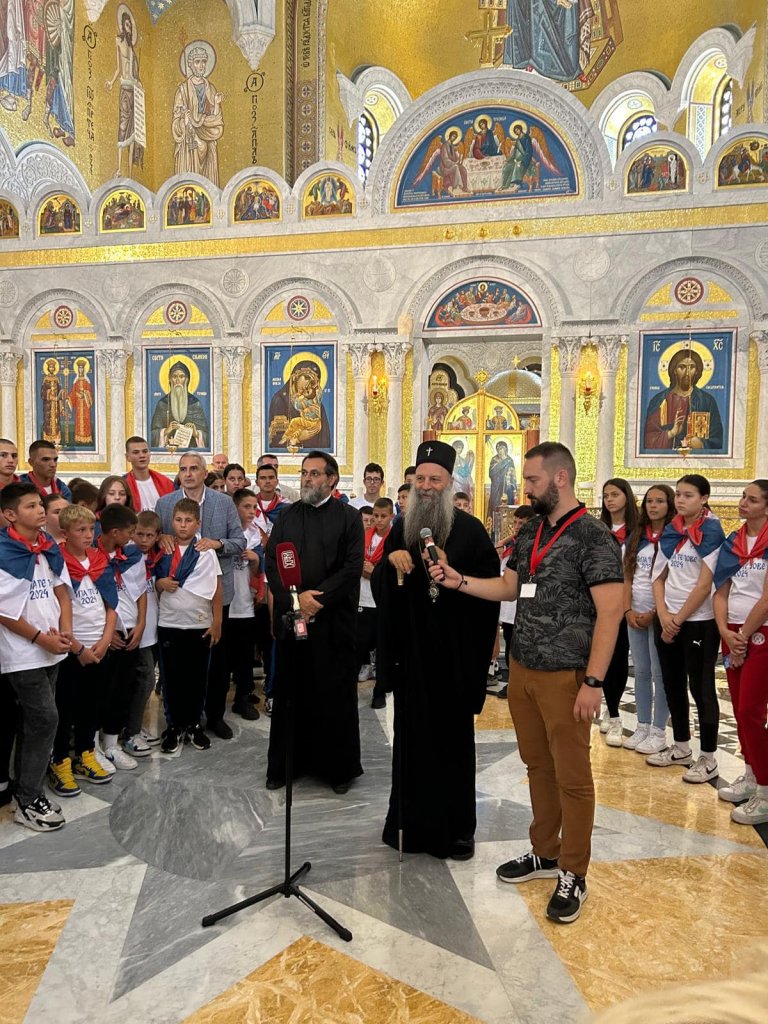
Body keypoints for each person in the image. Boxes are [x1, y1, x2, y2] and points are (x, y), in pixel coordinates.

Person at [431, 442, 624, 923]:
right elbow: (510, 586)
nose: (526, 488)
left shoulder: (593, 535)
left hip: (567, 674)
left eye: (533, 480)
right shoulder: (533, 530)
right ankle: (546, 851)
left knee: (572, 776)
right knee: (537, 765)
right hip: (524, 668)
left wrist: (594, 681)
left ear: (560, 478)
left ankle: (574, 871)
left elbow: (611, 611)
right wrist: (459, 581)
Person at [374, 440, 500, 861]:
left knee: (453, 746)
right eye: (421, 479)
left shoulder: (471, 531)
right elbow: (383, 586)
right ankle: (407, 824)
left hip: (453, 658)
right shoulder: (401, 529)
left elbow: (490, 590)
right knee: (410, 744)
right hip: (412, 657)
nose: (426, 486)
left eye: (435, 479)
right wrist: (391, 561)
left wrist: (455, 571)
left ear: (450, 483)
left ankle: (458, 830)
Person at [265, 451, 364, 794]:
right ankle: (286, 765)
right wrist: (297, 601)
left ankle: (337, 770)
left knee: (333, 695)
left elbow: (352, 567)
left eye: (314, 473)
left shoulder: (349, 518)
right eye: (304, 473)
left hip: (333, 623)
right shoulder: (287, 516)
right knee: (291, 692)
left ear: (331, 480)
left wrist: (315, 601)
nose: (306, 478)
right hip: (293, 620)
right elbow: (272, 562)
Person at [155, 453, 245, 739]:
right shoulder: (165, 503)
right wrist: (161, 538)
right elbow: (154, 541)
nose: (188, 473)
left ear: (205, 473)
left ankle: (215, 717)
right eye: (183, 469)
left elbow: (239, 541)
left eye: (194, 468)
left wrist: (216, 543)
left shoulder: (223, 502)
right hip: (177, 598)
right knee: (178, 666)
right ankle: (179, 720)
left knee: (216, 661)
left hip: (216, 593)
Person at [0, 483, 73, 831]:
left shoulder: (47, 546)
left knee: (35, 721)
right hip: (23, 652)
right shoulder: (5, 551)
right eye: (30, 506)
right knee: (45, 719)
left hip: (52, 647)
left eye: (40, 504)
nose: (40, 510)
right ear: (10, 514)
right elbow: (5, 613)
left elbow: (62, 591)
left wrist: (65, 631)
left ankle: (25, 789)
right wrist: (41, 638)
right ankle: (28, 800)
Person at [649, 474, 725, 782]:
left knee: (701, 689)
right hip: (667, 618)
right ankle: (681, 747)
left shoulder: (712, 531)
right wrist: (663, 615)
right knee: (672, 684)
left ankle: (708, 757)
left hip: (699, 622)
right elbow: (658, 578)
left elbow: (705, 585)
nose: (680, 500)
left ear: (704, 498)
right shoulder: (672, 530)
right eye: (678, 494)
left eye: (688, 495)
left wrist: (677, 620)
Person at [50, 504, 118, 796]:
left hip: (99, 645)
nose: (88, 535)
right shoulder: (57, 562)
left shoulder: (99, 559)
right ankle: (60, 760)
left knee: (92, 704)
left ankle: (86, 753)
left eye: (91, 529)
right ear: (65, 533)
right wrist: (78, 649)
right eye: (81, 530)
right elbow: (57, 607)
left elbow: (111, 604)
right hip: (71, 650)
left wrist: (105, 640)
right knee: (65, 708)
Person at [713, 480, 768, 825]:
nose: (743, 502)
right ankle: (750, 773)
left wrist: (743, 636)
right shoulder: (733, 542)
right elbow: (721, 591)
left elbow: (766, 598)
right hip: (731, 632)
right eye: (743, 497)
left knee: (751, 709)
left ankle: (765, 788)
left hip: (759, 632)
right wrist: (724, 631)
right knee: (737, 707)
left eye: (752, 499)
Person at [157, 498, 223, 753]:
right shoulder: (164, 549)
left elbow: (216, 588)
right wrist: (160, 583)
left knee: (197, 678)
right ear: (172, 521)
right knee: (171, 678)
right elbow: (151, 579)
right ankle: (174, 726)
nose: (183, 525)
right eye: (178, 520)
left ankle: (194, 724)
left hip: (199, 624)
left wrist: (217, 623)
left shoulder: (206, 552)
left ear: (198, 523)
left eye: (188, 521)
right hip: (169, 623)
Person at [621, 485, 674, 754]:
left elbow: (673, 579)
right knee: (641, 671)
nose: (653, 506)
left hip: (660, 614)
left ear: (669, 505)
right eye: (649, 501)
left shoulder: (674, 536)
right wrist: (628, 610)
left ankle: (658, 730)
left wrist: (655, 613)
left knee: (658, 672)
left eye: (660, 501)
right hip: (635, 611)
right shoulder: (637, 536)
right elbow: (628, 576)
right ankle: (641, 725)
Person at [98, 503, 146, 771]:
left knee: (122, 689)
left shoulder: (132, 555)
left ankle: (112, 743)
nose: (133, 537)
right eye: (130, 532)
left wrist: (141, 623)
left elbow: (140, 591)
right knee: (100, 691)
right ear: (115, 532)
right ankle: (91, 746)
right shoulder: (93, 557)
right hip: (103, 634)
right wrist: (106, 633)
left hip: (129, 629)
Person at [597, 478, 638, 746]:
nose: (610, 500)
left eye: (615, 494)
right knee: (603, 655)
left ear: (626, 497)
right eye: (606, 495)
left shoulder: (638, 532)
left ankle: (614, 715)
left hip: (627, 601)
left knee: (618, 658)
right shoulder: (598, 529)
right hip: (600, 601)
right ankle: (608, 709)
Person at [124, 510, 163, 757]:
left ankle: (132, 726)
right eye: (139, 534)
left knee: (144, 681)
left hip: (153, 628)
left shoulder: (158, 556)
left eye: (149, 535)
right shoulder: (127, 557)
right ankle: (131, 732)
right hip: (135, 630)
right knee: (145, 679)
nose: (144, 540)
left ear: (157, 536)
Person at [491, 504, 536, 700]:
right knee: (510, 642)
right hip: (509, 604)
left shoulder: (534, 544)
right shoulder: (511, 546)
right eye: (515, 522)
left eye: (522, 523)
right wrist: (506, 541)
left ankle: (525, 683)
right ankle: (512, 682)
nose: (517, 527)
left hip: (525, 603)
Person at [643, 348, 724, 452]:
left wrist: (701, 444)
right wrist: (671, 433)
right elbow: (648, 439)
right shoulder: (659, 401)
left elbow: (718, 439)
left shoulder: (707, 401)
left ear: (697, 371)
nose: (687, 373)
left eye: (692, 367)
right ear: (674, 370)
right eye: (682, 367)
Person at [227, 488, 262, 721]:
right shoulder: (225, 531)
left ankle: (243, 696)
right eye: (246, 507)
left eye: (254, 507)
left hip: (245, 602)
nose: (251, 511)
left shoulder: (255, 533)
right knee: (224, 656)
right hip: (225, 604)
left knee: (245, 655)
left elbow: (258, 571)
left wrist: (255, 558)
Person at [357, 497, 393, 703]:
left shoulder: (393, 539)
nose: (378, 520)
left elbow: (392, 569)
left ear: (391, 516)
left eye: (382, 516)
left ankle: (380, 691)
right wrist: (364, 569)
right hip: (363, 597)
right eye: (375, 516)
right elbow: (356, 561)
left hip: (382, 599)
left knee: (382, 647)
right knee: (360, 642)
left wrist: (374, 572)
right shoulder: (364, 536)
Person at [172, 44, 224, 186]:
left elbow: (217, 120)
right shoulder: (182, 91)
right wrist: (184, 121)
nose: (201, 65)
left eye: (204, 62)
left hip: (208, 136)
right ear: (190, 65)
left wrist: (217, 104)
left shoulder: (210, 89)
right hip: (189, 140)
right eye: (197, 62)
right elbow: (176, 123)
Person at [150, 361, 210, 449]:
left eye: (181, 377)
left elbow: (208, 437)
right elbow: (151, 435)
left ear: (187, 380)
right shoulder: (163, 404)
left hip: (191, 452)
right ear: (170, 380)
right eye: (174, 377)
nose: (178, 380)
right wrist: (166, 431)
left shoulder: (195, 404)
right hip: (168, 451)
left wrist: (196, 433)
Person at [124, 436, 175, 511]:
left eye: (145, 451)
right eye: (136, 452)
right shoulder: (123, 485)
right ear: (127, 457)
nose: (142, 455)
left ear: (149, 454)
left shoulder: (166, 483)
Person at [488, 441, 518, 509]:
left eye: (501, 449)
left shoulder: (509, 460)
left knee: (508, 503)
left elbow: (513, 475)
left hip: (507, 487)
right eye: (498, 449)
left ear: (505, 449)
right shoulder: (494, 459)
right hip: (496, 486)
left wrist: (514, 488)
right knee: (495, 504)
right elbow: (491, 473)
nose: (500, 451)